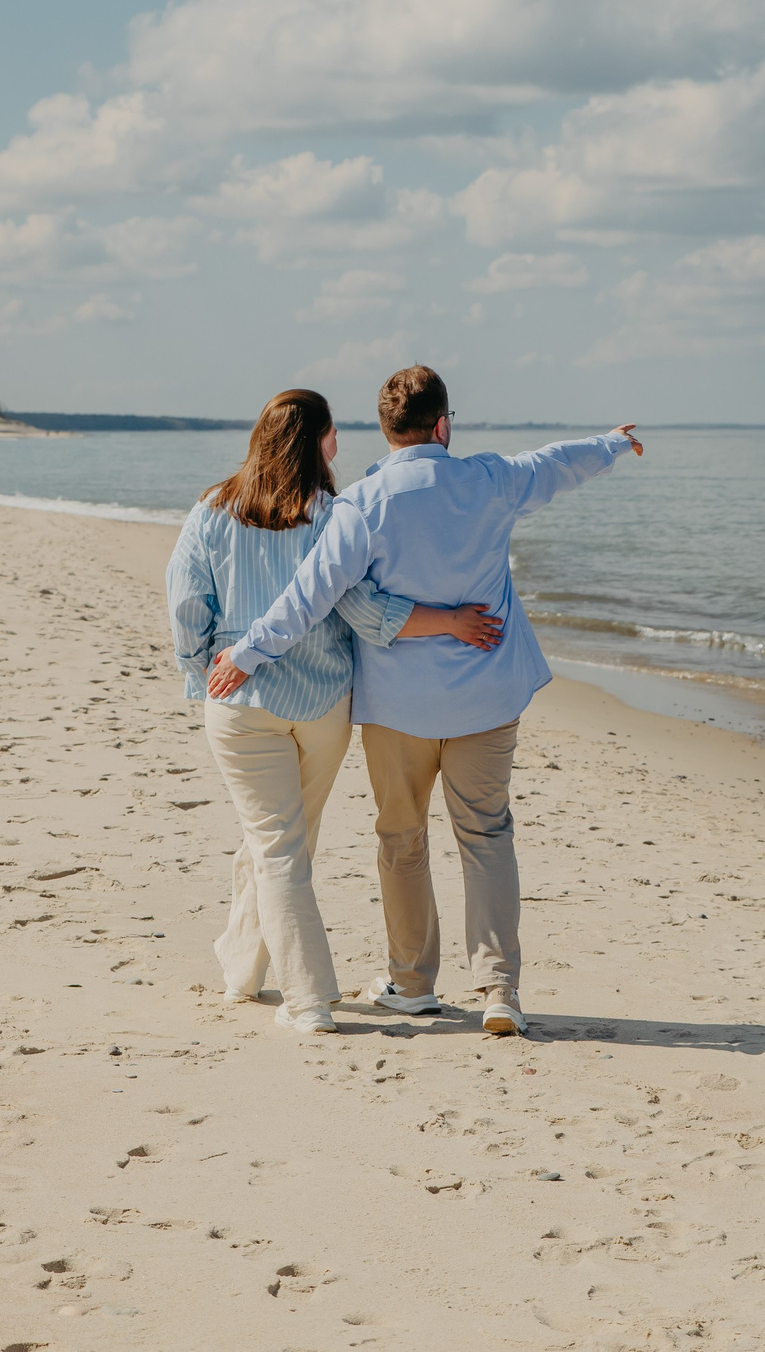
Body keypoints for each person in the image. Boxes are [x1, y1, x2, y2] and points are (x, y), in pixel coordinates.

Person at [206, 366, 641, 1037]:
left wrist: (247, 652)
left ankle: (411, 982)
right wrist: (612, 442)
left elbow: (309, 594)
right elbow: (556, 465)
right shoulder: (490, 480)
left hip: (399, 707)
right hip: (486, 699)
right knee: (487, 834)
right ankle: (499, 989)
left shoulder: (361, 504)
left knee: (401, 838)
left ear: (385, 431)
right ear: (443, 425)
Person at [168, 389, 505, 1036]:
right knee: (283, 843)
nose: (340, 446)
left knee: (275, 844)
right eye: (332, 434)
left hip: (239, 701)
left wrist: (200, 672)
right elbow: (366, 610)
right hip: (323, 704)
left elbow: (184, 602)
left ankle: (305, 1000)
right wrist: (451, 624)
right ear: (314, 442)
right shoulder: (333, 516)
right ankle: (258, 975)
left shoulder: (212, 508)